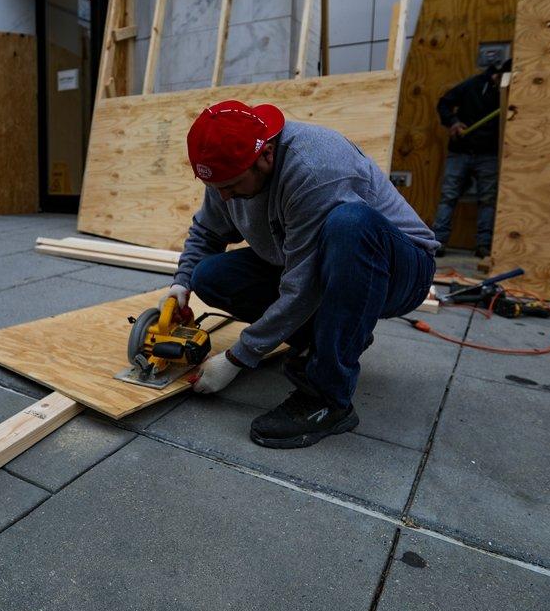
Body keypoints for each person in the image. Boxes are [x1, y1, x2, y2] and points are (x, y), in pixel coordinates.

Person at [163, 100, 437, 449]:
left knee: (349, 225)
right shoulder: (229, 165)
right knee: (209, 275)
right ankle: (328, 339)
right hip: (313, 262)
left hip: (401, 269)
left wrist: (238, 357)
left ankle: (327, 398)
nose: (223, 196)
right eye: (216, 186)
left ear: (265, 157)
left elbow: (304, 285)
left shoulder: (316, 168)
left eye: (231, 186)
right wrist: (180, 285)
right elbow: (208, 231)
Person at [431, 59, 509, 258]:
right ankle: (437, 243)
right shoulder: (473, 85)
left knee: (488, 200)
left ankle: (484, 246)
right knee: (449, 196)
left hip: (488, 154)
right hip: (461, 150)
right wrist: (454, 122)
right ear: (498, 75)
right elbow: (444, 103)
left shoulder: (509, 93)